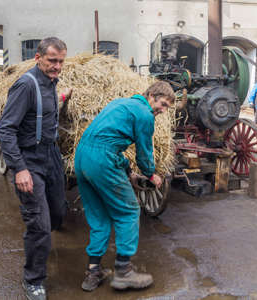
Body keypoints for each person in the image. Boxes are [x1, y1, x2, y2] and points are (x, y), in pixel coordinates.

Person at [74, 81, 175, 292]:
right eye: (163, 104)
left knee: (99, 216)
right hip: (102, 160)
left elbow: (108, 144)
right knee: (129, 211)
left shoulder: (120, 103)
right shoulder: (145, 114)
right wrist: (151, 174)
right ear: (152, 95)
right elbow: (144, 152)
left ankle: (93, 271)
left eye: (167, 108)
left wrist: (128, 172)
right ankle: (123, 271)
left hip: (82, 157)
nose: (163, 111)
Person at [0, 37, 71, 300]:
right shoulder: (25, 85)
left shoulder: (52, 83)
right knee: (39, 224)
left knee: (59, 211)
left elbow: (45, 112)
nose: (57, 66)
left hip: (51, 155)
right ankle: (33, 280)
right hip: (29, 159)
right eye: (52, 61)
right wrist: (19, 168)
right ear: (37, 58)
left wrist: (63, 97)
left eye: (61, 61)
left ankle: (42, 240)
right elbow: (5, 130)